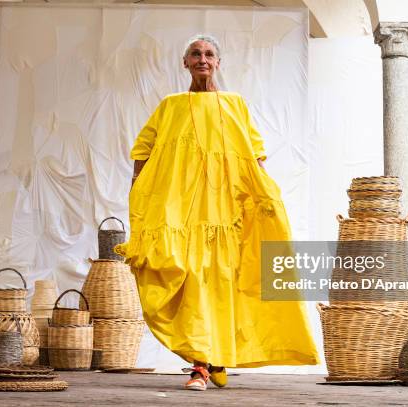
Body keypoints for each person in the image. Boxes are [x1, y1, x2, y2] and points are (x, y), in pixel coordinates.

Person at [115, 34, 319, 391]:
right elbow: (144, 147)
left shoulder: (235, 104)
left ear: (218, 62)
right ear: (185, 62)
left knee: (222, 281)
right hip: (184, 213)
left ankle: (207, 362)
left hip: (227, 211)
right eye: (195, 54)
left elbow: (254, 153)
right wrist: (138, 186)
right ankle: (206, 359)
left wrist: (264, 196)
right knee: (191, 278)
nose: (202, 60)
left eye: (209, 54)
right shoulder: (171, 105)